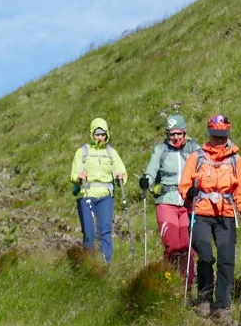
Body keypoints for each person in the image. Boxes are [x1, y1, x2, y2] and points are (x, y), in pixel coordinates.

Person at [178, 115, 241, 323]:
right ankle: (204, 299)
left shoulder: (236, 160)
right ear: (209, 134)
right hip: (200, 212)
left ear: (228, 134)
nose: (219, 140)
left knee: (226, 260)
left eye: (223, 136)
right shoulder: (196, 157)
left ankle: (223, 306)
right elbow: (183, 186)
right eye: (216, 136)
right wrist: (189, 193)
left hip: (226, 214)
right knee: (206, 256)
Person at [140, 115, 201, 280]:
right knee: (173, 246)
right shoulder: (161, 150)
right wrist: (147, 179)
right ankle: (168, 282)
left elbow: (204, 168)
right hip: (167, 202)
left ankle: (186, 287)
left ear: (184, 132)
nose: (175, 137)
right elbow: (152, 170)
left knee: (187, 247)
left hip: (189, 204)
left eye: (178, 133)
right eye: (171, 134)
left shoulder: (194, 149)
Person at [70, 117, 127, 264]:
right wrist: (79, 176)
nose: (100, 138)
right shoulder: (82, 152)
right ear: (92, 134)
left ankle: (105, 265)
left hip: (105, 197)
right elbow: (73, 174)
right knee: (89, 232)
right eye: (97, 134)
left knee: (105, 231)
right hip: (86, 195)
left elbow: (121, 170)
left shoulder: (111, 153)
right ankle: (89, 265)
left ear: (107, 134)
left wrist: (121, 176)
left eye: (103, 134)